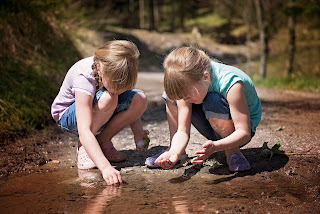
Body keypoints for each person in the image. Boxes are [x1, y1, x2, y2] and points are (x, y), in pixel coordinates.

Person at [145, 46, 261, 171]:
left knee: (213, 100)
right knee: (171, 95)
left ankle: (232, 151)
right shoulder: (190, 85)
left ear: (205, 77)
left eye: (188, 96)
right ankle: (176, 150)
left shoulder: (230, 82)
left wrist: (216, 146)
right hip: (212, 126)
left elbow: (244, 133)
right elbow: (182, 131)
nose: (186, 100)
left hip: (237, 134)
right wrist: (174, 151)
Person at [51, 40, 149, 185]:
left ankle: (103, 141)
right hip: (68, 116)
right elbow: (84, 129)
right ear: (99, 69)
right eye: (117, 85)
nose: (121, 90)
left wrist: (138, 131)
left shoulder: (115, 69)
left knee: (139, 98)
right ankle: (84, 148)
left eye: (125, 86)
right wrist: (105, 168)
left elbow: (128, 101)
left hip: (98, 110)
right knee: (110, 97)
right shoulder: (84, 77)